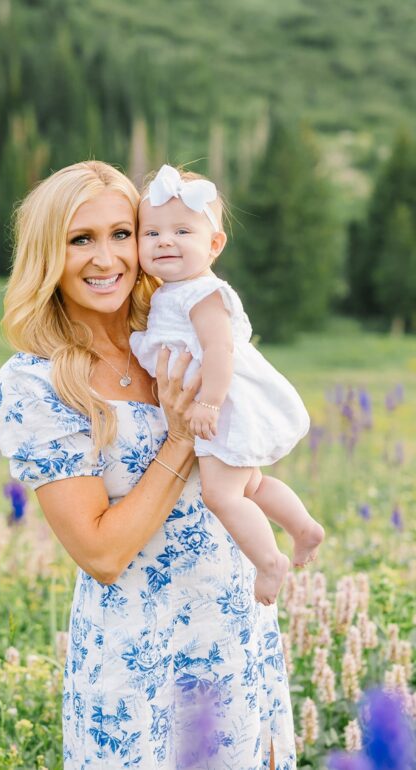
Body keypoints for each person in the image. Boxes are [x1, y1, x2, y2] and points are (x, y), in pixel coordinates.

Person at [0, 161, 294, 768]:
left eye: (121, 234)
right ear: (49, 254)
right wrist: (180, 439)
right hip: (138, 659)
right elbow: (102, 555)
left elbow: (246, 442)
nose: (107, 259)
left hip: (234, 627)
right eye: (81, 240)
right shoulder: (33, 383)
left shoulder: (172, 337)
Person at [130, 164, 323, 605]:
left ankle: (269, 561)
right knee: (251, 485)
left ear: (214, 245)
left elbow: (220, 352)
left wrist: (211, 405)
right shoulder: (171, 292)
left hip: (223, 404)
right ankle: (304, 527)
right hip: (215, 403)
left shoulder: (203, 293)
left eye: (182, 231)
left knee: (221, 494)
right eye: (152, 233)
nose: (165, 241)